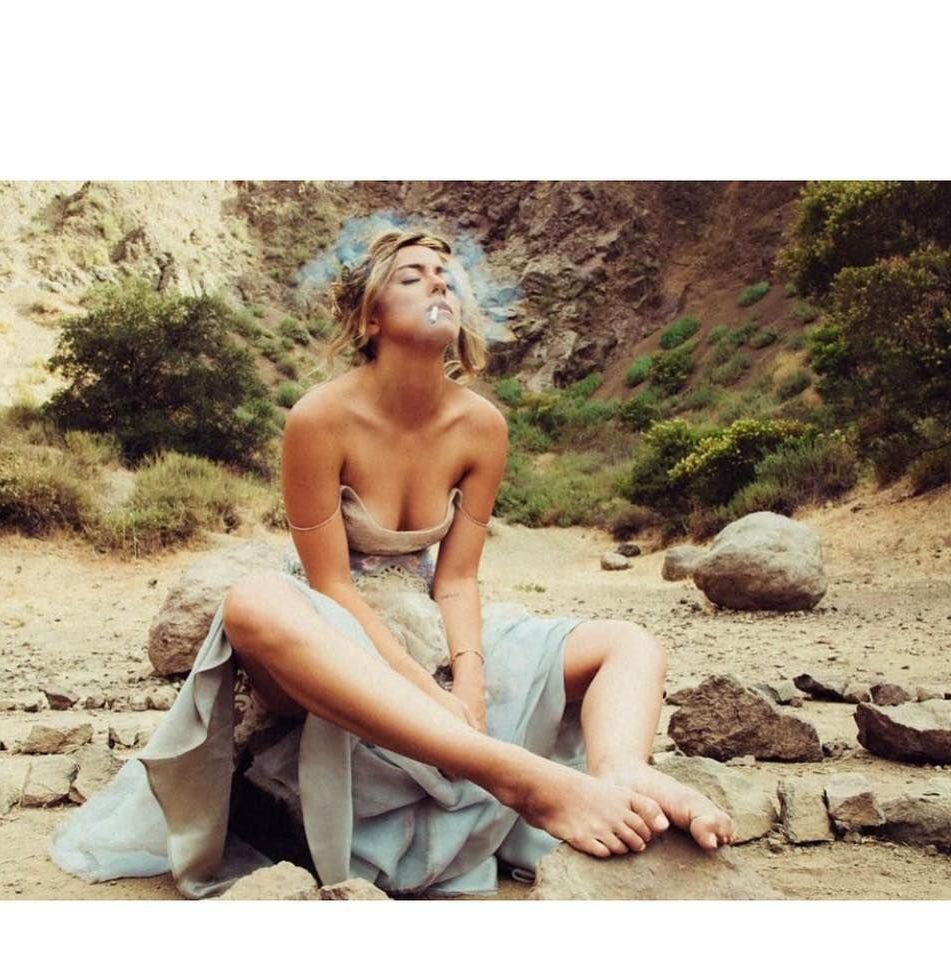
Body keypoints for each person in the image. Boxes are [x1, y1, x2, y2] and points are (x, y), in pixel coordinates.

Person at [49, 227, 735, 899]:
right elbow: (330, 582)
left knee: (628, 643)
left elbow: (457, 578)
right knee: (253, 600)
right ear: (370, 318)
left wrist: (469, 682)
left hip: (429, 616)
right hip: (336, 625)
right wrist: (426, 692)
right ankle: (517, 778)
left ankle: (621, 772)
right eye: (412, 276)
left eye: (446, 277)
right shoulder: (319, 418)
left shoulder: (482, 425)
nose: (439, 284)